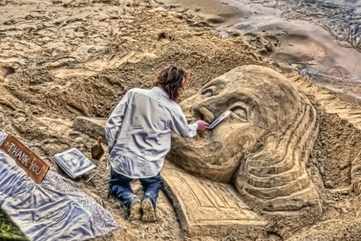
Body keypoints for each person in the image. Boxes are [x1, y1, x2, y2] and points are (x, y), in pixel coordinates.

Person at [105, 65, 209, 222]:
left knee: (117, 185)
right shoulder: (173, 108)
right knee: (153, 184)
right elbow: (186, 132)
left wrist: (113, 146)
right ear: (176, 87)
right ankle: (148, 198)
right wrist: (197, 126)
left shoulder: (134, 94)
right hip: (150, 163)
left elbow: (112, 123)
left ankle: (131, 200)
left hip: (124, 156)